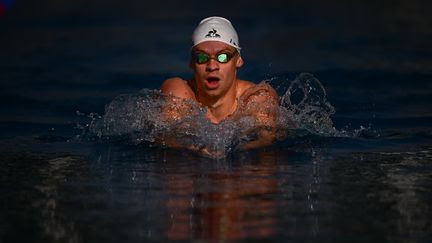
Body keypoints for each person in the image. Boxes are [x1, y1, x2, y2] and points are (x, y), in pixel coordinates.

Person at [160, 16, 280, 156]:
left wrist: (231, 153)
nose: (212, 66)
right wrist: (199, 151)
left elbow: (265, 139)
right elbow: (167, 137)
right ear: (192, 62)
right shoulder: (178, 91)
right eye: (202, 57)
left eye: (223, 57)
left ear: (238, 60)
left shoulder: (258, 97)